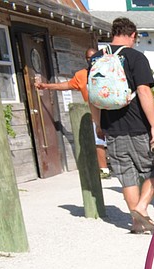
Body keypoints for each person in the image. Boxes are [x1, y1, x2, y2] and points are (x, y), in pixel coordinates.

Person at [89, 17, 154, 234]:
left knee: (127, 175)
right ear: (133, 35)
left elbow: (93, 97)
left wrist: (98, 124)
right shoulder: (135, 57)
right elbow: (144, 91)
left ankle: (136, 223)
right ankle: (141, 208)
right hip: (138, 125)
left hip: (112, 127)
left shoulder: (95, 59)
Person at [36, 47, 110, 179]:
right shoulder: (82, 75)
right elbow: (66, 85)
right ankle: (104, 170)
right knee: (99, 142)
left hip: (111, 112)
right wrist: (46, 86)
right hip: (95, 114)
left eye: (94, 57)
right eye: (89, 58)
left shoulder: (109, 71)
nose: (91, 60)